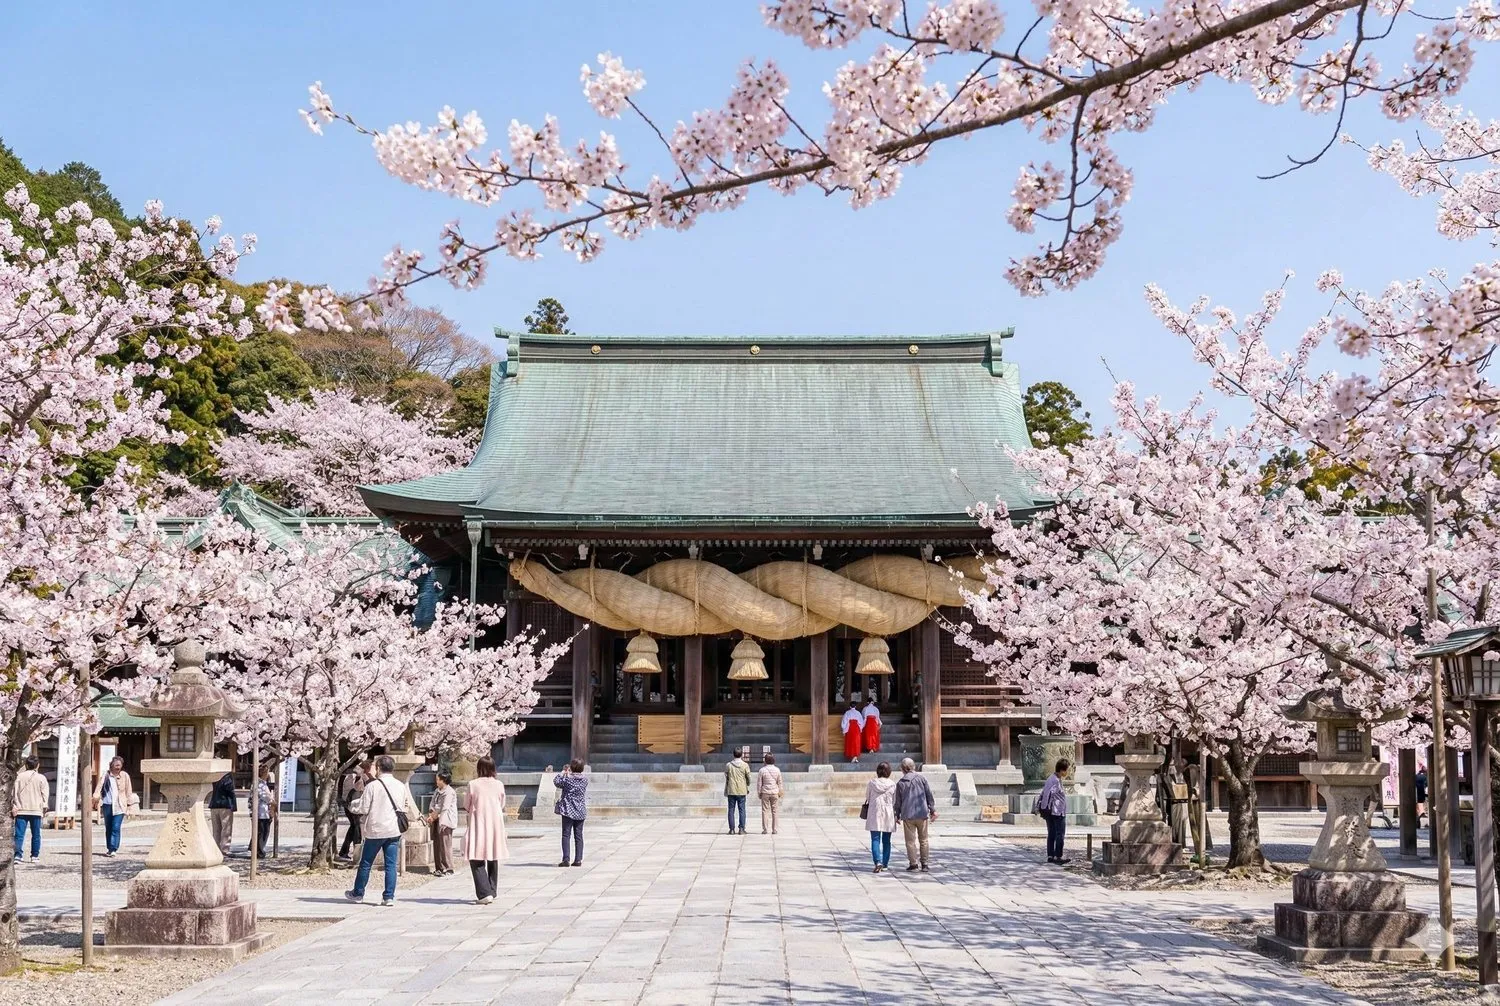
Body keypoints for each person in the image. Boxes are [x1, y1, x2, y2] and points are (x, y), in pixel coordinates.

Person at [346, 754, 421, 907]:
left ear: (379, 768)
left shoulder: (373, 786)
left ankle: (358, 893)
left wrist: (352, 805)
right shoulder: (400, 785)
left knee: (366, 863)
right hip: (393, 830)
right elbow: (404, 806)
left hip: (375, 829)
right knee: (391, 865)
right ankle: (388, 896)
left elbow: (364, 807)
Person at [465, 756, 510, 904]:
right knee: (492, 855)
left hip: (479, 821)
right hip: (495, 822)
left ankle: (484, 893)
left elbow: (466, 804)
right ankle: (492, 889)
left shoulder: (473, 784)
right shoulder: (499, 784)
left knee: (476, 857)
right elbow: (502, 803)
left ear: (479, 768)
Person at [893, 757, 937, 872]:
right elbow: (929, 795)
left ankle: (913, 864)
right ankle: (925, 864)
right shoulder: (922, 778)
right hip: (922, 813)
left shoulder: (901, 783)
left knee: (910, 841)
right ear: (913, 767)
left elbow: (898, 802)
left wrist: (896, 814)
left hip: (908, 815)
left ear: (903, 768)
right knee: (924, 840)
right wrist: (932, 810)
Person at [91, 756, 133, 857]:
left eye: (120, 765)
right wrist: (95, 797)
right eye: (116, 765)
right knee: (108, 827)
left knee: (116, 827)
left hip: (120, 805)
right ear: (112, 765)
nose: (118, 767)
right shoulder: (106, 775)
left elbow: (129, 791)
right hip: (107, 804)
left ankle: (114, 848)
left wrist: (130, 805)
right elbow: (99, 787)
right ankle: (109, 847)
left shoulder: (125, 776)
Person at [12, 756, 49, 863]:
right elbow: (45, 794)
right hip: (36, 809)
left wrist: (14, 804)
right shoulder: (41, 778)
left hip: (21, 809)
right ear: (38, 765)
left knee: (19, 834)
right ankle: (34, 855)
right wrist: (44, 806)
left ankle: (18, 855)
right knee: (36, 834)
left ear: (26, 765)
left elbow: (14, 793)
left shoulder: (18, 777)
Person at [1035, 757, 1071, 865]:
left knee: (1051, 833)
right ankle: (1058, 856)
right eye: (1066, 770)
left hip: (1049, 810)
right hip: (1056, 810)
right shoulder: (1055, 781)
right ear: (1062, 770)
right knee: (1060, 833)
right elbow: (1052, 795)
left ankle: (1050, 855)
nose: (1067, 772)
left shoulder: (1051, 778)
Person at [864, 762, 898, 873]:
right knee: (887, 840)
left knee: (875, 839)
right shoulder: (892, 784)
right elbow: (894, 800)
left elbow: (868, 797)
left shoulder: (872, 783)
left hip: (874, 811)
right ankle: (885, 864)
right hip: (888, 812)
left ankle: (877, 861)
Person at [554, 759, 588, 866]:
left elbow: (556, 781)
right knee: (578, 836)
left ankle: (566, 859)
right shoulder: (585, 780)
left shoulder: (567, 780)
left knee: (566, 835)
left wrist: (563, 772)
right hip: (580, 810)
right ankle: (578, 859)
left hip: (568, 810)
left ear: (571, 768)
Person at [427, 771, 457, 876]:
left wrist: (434, 816)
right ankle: (439, 867)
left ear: (443, 780)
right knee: (437, 844)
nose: (436, 781)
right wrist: (431, 814)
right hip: (436, 819)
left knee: (445, 844)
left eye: (438, 779)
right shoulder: (437, 791)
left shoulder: (449, 792)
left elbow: (444, 808)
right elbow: (432, 803)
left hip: (445, 820)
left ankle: (448, 868)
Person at [338, 760, 369, 862]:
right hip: (354, 805)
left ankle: (344, 851)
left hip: (349, 805)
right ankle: (356, 853)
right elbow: (356, 790)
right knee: (356, 828)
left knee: (354, 827)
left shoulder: (346, 776)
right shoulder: (353, 777)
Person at [207, 769, 237, 857]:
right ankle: (224, 849)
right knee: (226, 828)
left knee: (216, 829)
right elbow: (230, 789)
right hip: (225, 804)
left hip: (214, 804)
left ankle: (215, 848)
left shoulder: (214, 776)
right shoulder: (227, 776)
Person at [724, 748, 751, 835]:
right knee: (742, 809)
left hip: (731, 789)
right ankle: (741, 829)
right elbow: (748, 777)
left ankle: (732, 829)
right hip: (742, 790)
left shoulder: (728, 765)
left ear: (733, 754)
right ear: (741, 755)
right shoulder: (745, 765)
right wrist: (747, 783)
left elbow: (726, 776)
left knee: (731, 810)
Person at [757, 753, 784, 835]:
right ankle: (774, 829)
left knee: (765, 811)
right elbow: (780, 782)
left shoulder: (762, 770)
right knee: (775, 811)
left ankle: (765, 829)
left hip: (765, 792)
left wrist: (759, 793)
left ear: (765, 760)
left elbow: (759, 783)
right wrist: (780, 792)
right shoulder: (777, 770)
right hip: (775, 792)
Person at [255, 768, 276, 858]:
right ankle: (259, 850)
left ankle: (259, 849)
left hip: (265, 811)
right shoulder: (259, 784)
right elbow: (264, 796)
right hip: (261, 811)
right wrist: (271, 800)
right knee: (262, 831)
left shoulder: (263, 783)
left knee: (264, 831)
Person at [1415, 762, 1428, 826]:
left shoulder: (1419, 775)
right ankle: (1421, 813)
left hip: (1419, 793)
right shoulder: (1423, 776)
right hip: (1421, 793)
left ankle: (1420, 814)